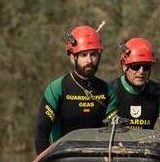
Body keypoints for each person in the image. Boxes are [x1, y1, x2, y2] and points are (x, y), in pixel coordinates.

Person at [34, 24, 118, 154]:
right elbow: (41, 132)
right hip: (62, 161)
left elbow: (114, 133)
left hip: (98, 161)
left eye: (94, 54)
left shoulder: (108, 91)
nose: (89, 60)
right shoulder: (56, 89)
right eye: (84, 55)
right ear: (72, 57)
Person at [112, 37, 160, 136]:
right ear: (124, 66)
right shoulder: (110, 91)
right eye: (135, 66)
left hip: (146, 148)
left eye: (146, 66)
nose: (141, 71)